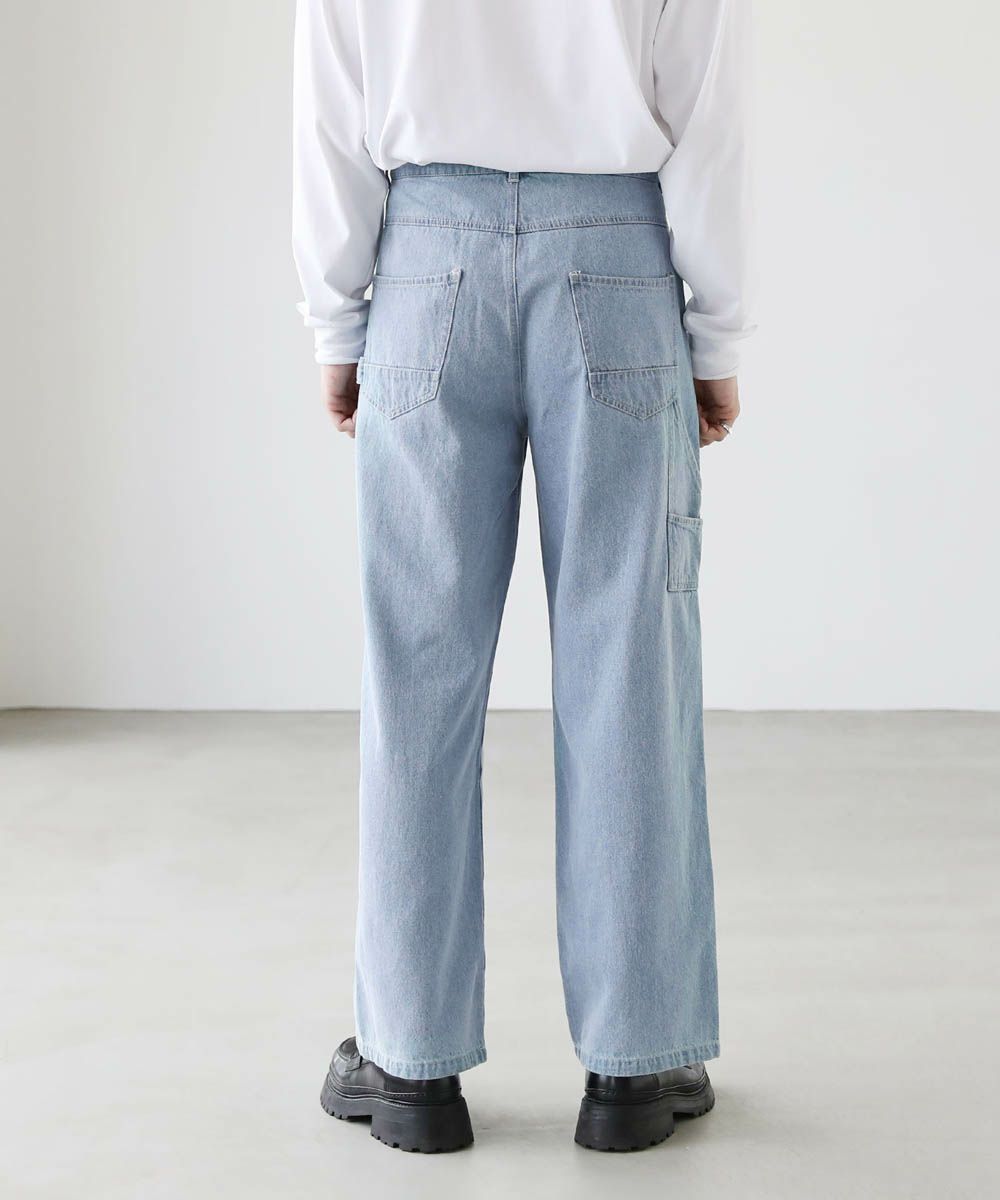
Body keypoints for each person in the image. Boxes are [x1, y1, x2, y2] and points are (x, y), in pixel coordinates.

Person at [293, 0, 754, 1154]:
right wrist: (717, 336)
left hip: (425, 262)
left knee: (415, 674)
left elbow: (332, 110)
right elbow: (708, 114)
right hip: (616, 259)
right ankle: (634, 1065)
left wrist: (336, 325)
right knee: (629, 665)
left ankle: (410, 1066)